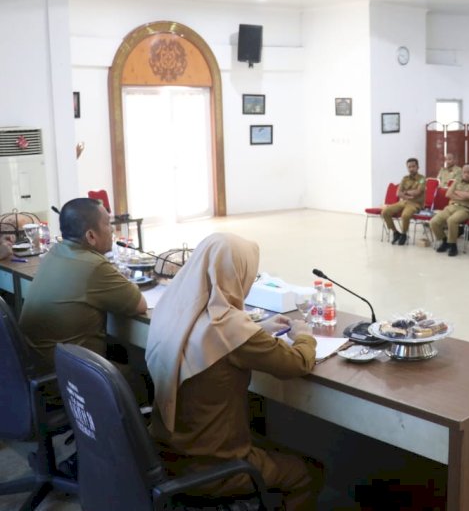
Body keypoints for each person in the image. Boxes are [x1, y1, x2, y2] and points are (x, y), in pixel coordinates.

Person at [146, 233, 319, 510]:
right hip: (212, 466)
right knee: (307, 472)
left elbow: (211, 340)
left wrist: (256, 329)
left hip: (164, 452)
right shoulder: (229, 327)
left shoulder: (172, 310)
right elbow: (297, 363)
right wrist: (304, 335)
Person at [19, 198, 147, 368]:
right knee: (148, 374)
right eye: (108, 224)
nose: (112, 230)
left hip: (37, 365)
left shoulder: (55, 251)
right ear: (91, 236)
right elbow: (140, 305)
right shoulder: (94, 266)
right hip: (70, 377)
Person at [430, 164, 469, 256]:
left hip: (465, 209)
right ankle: (445, 241)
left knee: (451, 220)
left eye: (468, 172)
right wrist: (463, 196)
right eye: (464, 172)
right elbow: (448, 194)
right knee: (434, 222)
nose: (466, 174)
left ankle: (453, 245)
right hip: (451, 207)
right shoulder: (457, 181)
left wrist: (456, 193)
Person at [381, 158, 426, 245]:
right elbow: (398, 193)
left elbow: (417, 192)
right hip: (404, 202)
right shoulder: (405, 178)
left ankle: (404, 234)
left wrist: (405, 192)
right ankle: (395, 233)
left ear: (418, 167)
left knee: (405, 215)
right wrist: (407, 195)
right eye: (409, 167)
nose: (411, 168)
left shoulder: (422, 179)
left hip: (415, 203)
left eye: (413, 166)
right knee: (385, 212)